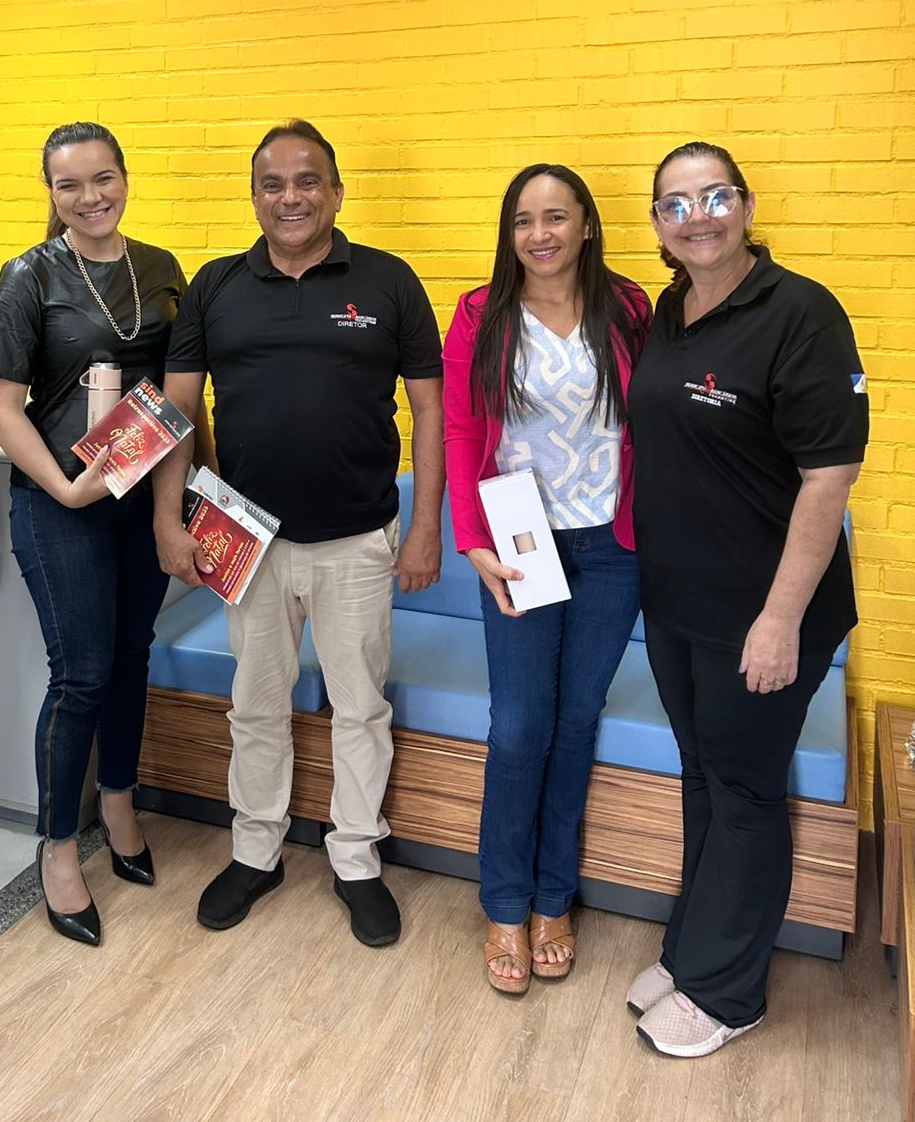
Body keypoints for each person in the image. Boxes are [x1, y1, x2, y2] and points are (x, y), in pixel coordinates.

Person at [154, 119, 445, 948]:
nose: (290, 197)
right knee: (255, 706)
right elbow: (178, 410)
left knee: (360, 708)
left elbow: (431, 411)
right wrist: (169, 519)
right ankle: (256, 852)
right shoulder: (214, 287)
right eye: (273, 184)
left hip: (358, 539)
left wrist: (426, 526)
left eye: (307, 181)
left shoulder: (389, 281)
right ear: (254, 197)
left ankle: (356, 860)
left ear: (337, 193)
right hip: (246, 540)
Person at [626, 141, 867, 1058]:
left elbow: (828, 479)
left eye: (715, 196)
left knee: (745, 791)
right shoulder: (670, 312)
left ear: (747, 205)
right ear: (659, 224)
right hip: (678, 603)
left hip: (765, 613)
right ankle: (694, 953)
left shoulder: (801, 312)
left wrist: (779, 620)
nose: (699, 217)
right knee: (704, 775)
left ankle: (729, 993)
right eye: (677, 204)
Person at [0, 121, 207, 948]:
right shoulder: (29, 275)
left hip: (142, 498)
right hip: (61, 503)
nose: (89, 196)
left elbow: (181, 399)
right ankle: (57, 845)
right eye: (69, 184)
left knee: (132, 655)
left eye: (102, 178)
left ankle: (118, 801)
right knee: (81, 676)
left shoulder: (162, 268)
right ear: (51, 193)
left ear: (124, 178)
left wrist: (182, 502)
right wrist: (65, 487)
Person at [442, 164, 651, 995]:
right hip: (521, 539)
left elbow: (654, 417)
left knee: (574, 723)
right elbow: (462, 430)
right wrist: (471, 539)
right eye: (524, 220)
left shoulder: (627, 307)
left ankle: (553, 901)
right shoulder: (480, 314)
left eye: (556, 217)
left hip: (613, 547)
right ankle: (504, 903)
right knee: (521, 727)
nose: (540, 234)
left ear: (587, 225)